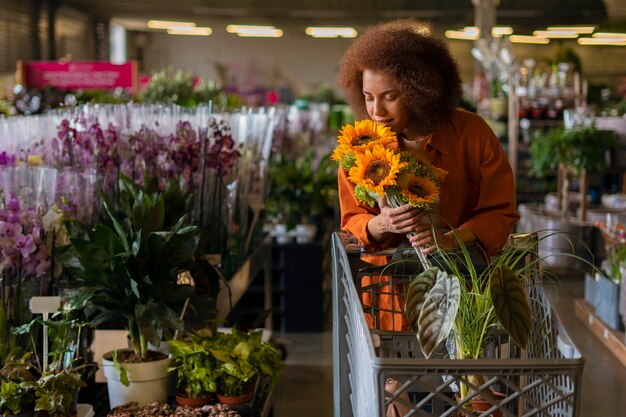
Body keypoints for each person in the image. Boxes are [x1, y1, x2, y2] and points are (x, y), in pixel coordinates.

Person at [337, 19, 519, 260]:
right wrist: (381, 224)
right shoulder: (362, 147)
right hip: (388, 286)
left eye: (389, 97)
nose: (376, 111)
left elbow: (499, 213)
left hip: (464, 282)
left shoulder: (473, 134)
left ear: (420, 92)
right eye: (368, 97)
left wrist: (449, 239)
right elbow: (351, 220)